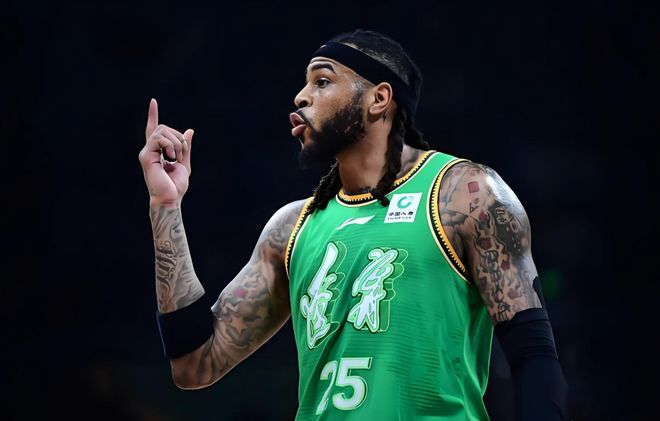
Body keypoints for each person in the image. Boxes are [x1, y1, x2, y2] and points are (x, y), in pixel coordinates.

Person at [138, 29, 568, 420]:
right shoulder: (291, 228)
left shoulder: (462, 194)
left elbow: (533, 354)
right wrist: (165, 205)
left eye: (322, 81)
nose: (301, 97)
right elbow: (193, 364)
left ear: (378, 99)